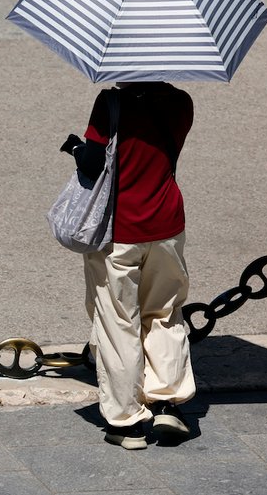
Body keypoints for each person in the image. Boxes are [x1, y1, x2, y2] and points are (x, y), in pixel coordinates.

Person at [62, 81, 195, 450]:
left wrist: (74, 146)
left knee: (118, 322)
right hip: (167, 224)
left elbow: (93, 160)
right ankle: (167, 401)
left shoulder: (111, 103)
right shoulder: (181, 102)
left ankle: (128, 422)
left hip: (119, 230)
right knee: (165, 314)